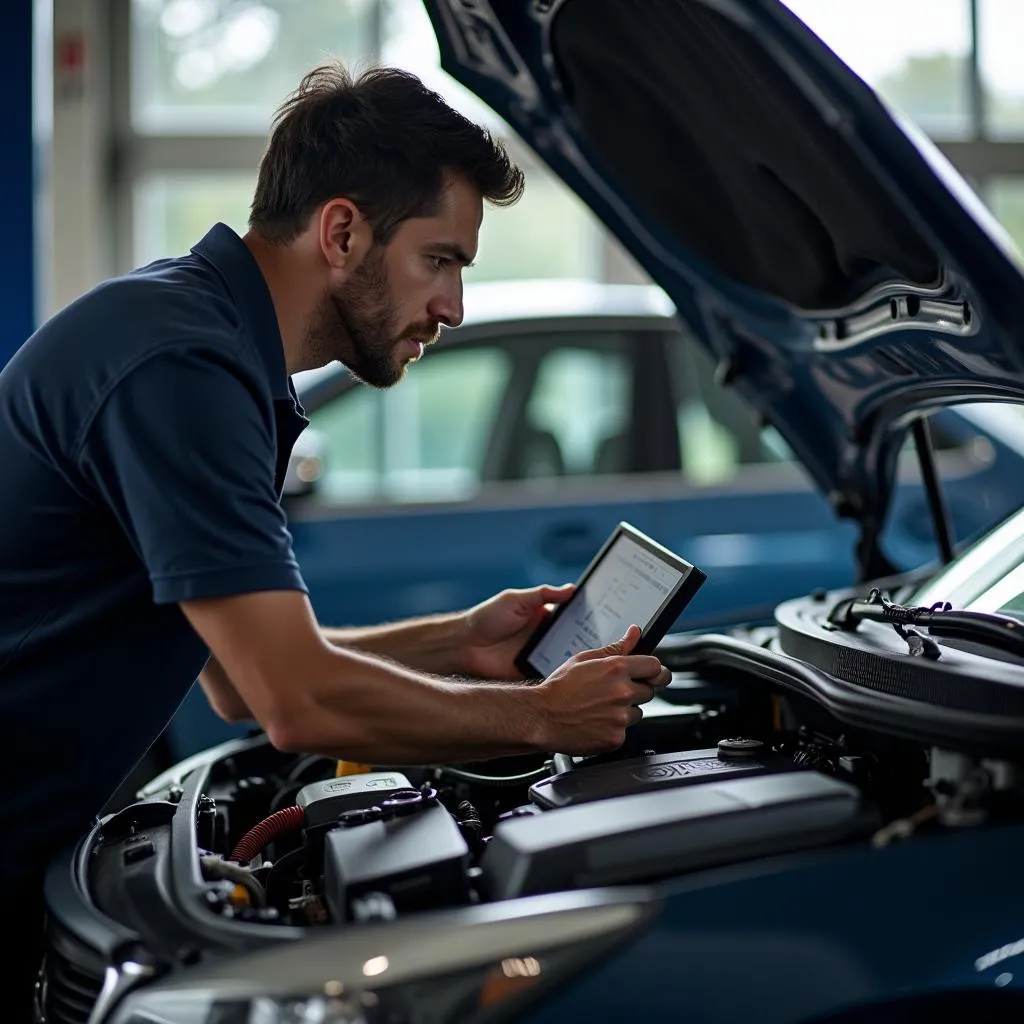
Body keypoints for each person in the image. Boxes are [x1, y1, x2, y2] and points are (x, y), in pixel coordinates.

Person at [0, 64, 670, 1016]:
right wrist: (540, 719)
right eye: (440, 260)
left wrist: (458, 644)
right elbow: (293, 701)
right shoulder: (183, 366)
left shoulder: (202, 337)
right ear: (343, 231)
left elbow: (232, 677)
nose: (453, 307)